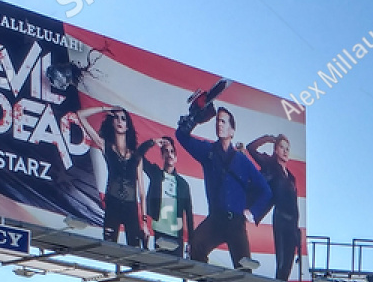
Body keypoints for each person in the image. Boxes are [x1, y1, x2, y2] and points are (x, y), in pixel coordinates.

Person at [174, 94, 271, 270]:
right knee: (196, 246)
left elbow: (266, 191)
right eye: (217, 121)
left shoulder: (243, 161)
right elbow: (181, 136)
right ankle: (204, 281)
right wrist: (195, 117)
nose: (219, 124)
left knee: (245, 270)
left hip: (236, 223)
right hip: (216, 219)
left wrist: (253, 212)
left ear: (232, 131)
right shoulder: (208, 151)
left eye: (224, 122)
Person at [74, 107, 155, 248]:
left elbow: (142, 192)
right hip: (112, 204)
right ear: (111, 122)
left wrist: (144, 222)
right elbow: (80, 116)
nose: (119, 121)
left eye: (123, 119)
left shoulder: (136, 155)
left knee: (134, 251)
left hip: (131, 208)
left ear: (127, 125)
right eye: (116, 118)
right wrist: (105, 109)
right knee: (108, 248)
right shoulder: (106, 146)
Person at [245, 134, 300, 280]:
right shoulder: (270, 164)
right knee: (281, 261)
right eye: (281, 147)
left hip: (292, 223)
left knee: (289, 263)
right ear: (275, 150)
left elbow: (295, 204)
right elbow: (250, 148)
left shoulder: (291, 177)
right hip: (280, 219)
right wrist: (267, 139)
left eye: (287, 148)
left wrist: (297, 229)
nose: (285, 151)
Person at [142, 136, 195, 256]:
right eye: (166, 151)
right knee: (159, 266)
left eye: (172, 152)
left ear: (176, 158)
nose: (169, 154)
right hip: (159, 229)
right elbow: (139, 156)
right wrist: (153, 142)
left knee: (175, 269)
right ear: (162, 156)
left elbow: (189, 213)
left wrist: (191, 240)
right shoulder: (156, 174)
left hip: (176, 232)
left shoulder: (183, 184)